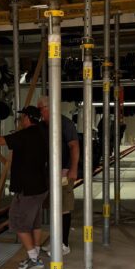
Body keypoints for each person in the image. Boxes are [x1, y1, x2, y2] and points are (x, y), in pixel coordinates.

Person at [0, 106, 48, 269]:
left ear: (28, 117)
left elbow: (0, 141)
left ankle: (34, 259)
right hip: (40, 186)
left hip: (28, 188)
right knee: (34, 223)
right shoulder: (42, 132)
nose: (20, 121)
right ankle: (35, 254)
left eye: (22, 118)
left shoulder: (27, 134)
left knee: (17, 221)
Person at [37, 95, 80, 256]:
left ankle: (63, 244)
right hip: (49, 173)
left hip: (63, 171)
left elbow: (74, 146)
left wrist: (72, 168)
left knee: (63, 208)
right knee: (53, 208)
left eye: (40, 108)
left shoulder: (65, 123)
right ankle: (56, 240)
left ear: (48, 108)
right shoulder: (43, 125)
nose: (39, 112)